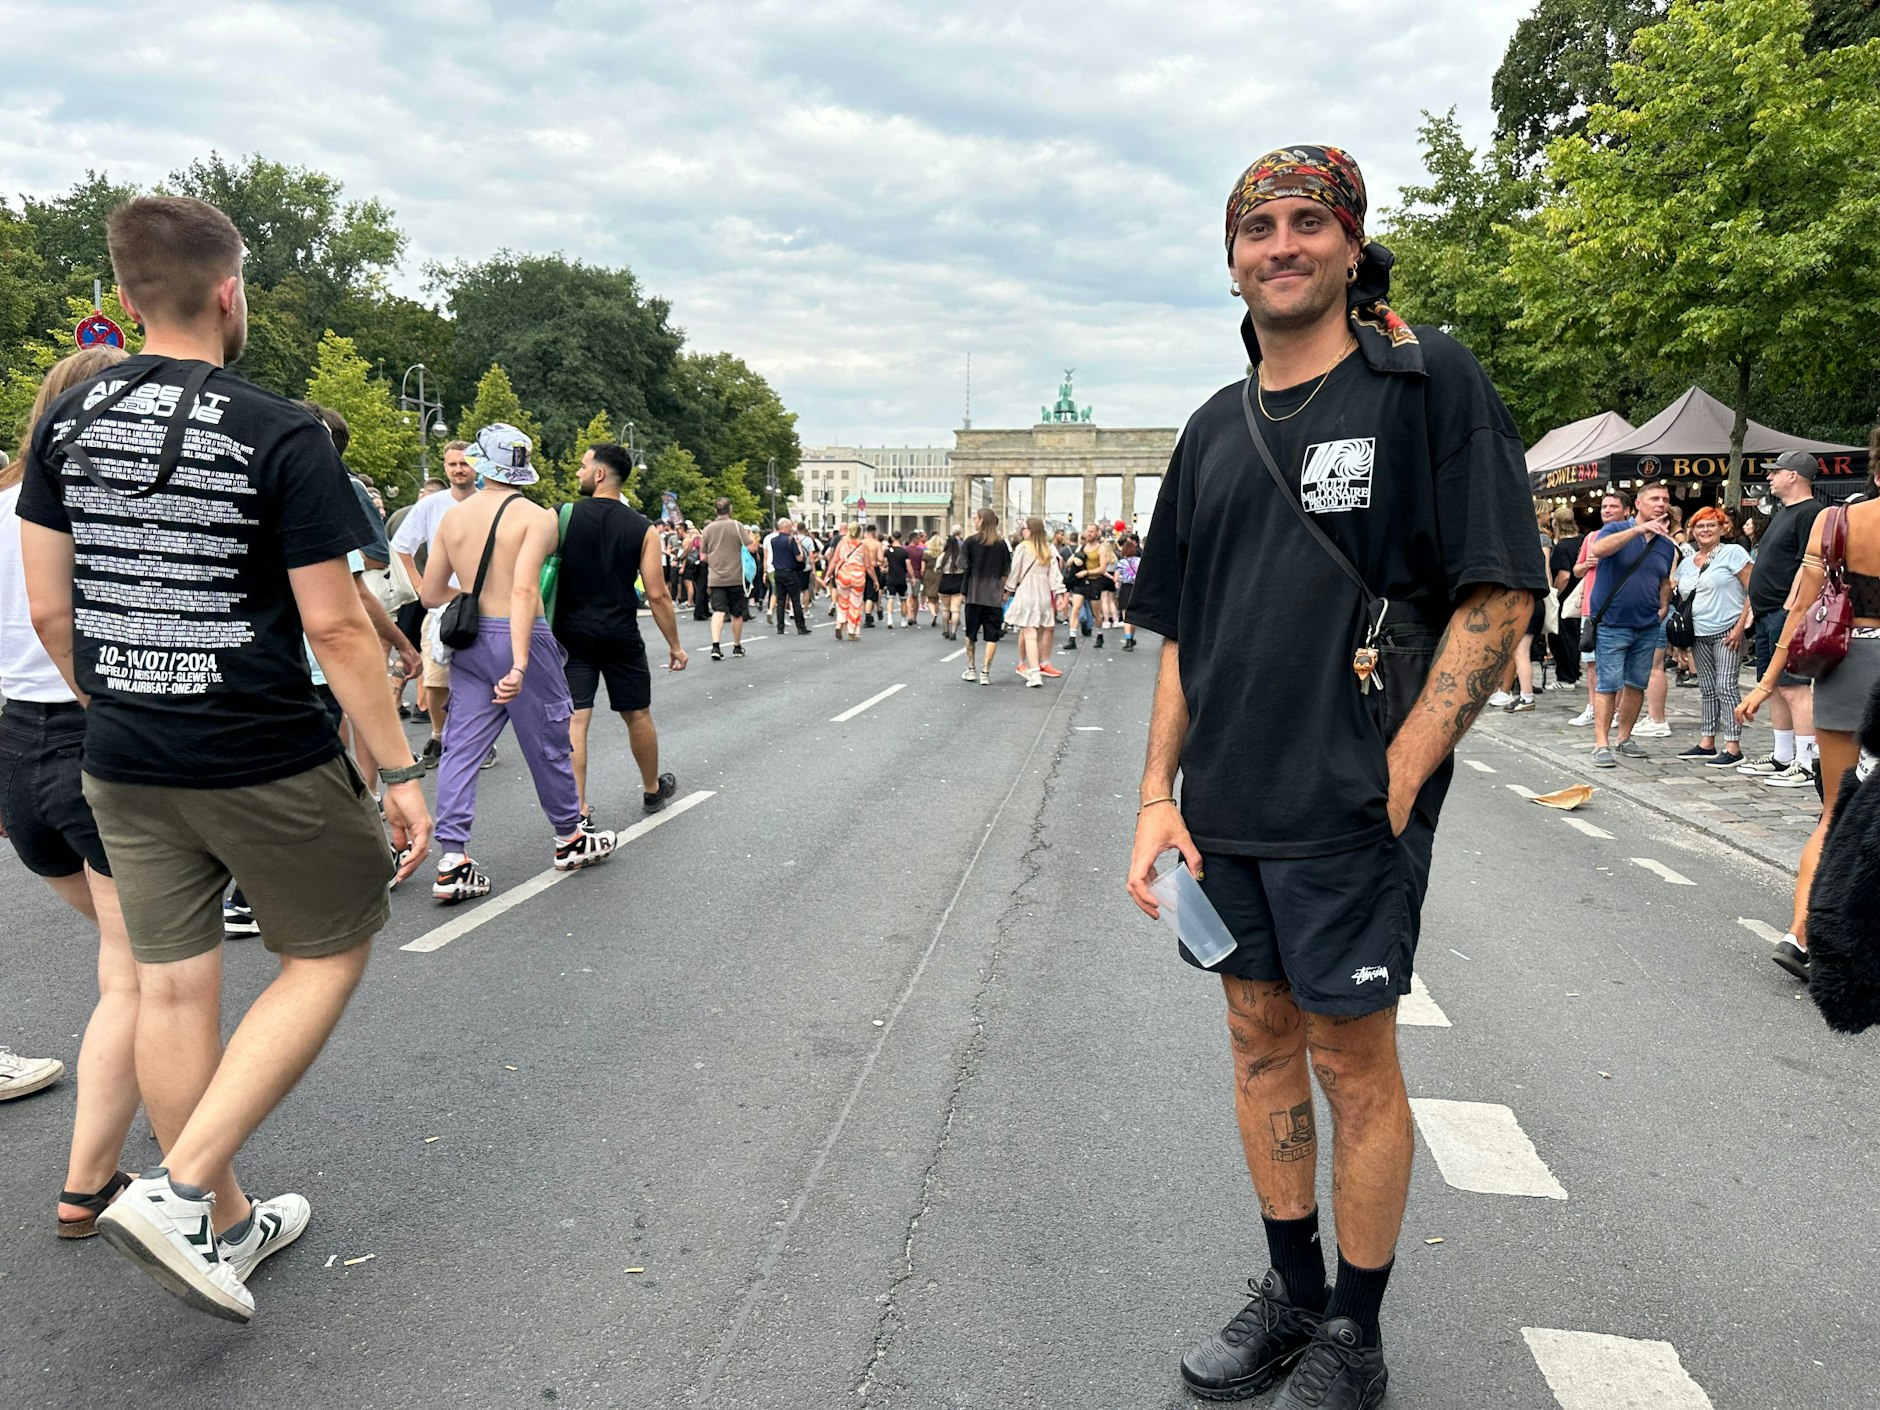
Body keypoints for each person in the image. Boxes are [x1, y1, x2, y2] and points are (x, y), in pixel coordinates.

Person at [1125, 146, 1541, 1407]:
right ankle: (1290, 1298)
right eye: (1260, 228)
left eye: (1311, 223)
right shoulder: (1209, 428)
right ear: (1232, 256)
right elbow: (1186, 633)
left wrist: (1405, 768)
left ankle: (1352, 1335)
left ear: (1353, 246)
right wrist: (1155, 795)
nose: (1283, 245)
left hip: (1351, 799)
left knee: (1351, 1061)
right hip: (1229, 806)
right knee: (1257, 1044)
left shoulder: (1424, 383)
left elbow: (1498, 590)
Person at [19, 194, 432, 1322]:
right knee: (328, 953)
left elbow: (51, 608)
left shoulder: (64, 423)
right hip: (259, 752)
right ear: (227, 290)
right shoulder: (280, 428)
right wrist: (400, 776)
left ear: (125, 294)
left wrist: (116, 694)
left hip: (123, 750)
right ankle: (185, 1187)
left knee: (169, 982)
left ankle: (225, 1220)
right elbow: (340, 628)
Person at [2, 344, 145, 1237]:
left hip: (13, 744)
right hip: (87, 734)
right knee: (142, 978)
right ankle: (91, 1186)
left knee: (145, 964)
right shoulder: (96, 509)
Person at [420, 423, 616, 901]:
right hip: (520, 634)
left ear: (483, 464)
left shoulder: (453, 518)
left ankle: (453, 857)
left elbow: (429, 593)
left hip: (469, 640)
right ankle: (569, 835)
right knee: (549, 736)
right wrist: (521, 662)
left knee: (462, 744)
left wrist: (471, 601)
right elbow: (526, 589)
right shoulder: (536, 517)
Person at [1739, 483, 1880, 979]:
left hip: (1847, 666)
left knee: (1834, 814)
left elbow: (1800, 607)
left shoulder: (1836, 521)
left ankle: (1799, 935)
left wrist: (1766, 682)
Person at [555, 443, 685, 828]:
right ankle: (651, 788)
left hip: (571, 632)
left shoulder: (562, 518)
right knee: (637, 713)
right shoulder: (643, 528)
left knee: (576, 719)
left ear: (599, 474)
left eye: (582, 467)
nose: (578, 473)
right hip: (619, 631)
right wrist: (675, 645)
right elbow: (657, 593)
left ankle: (578, 809)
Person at [1736, 451, 1825, 789]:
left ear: (1794, 475)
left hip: (1788, 613)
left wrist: (1792, 604)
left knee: (1793, 686)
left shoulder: (1812, 513)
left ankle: (1806, 762)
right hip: (1769, 611)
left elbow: (1810, 563)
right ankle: (1782, 755)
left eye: (1776, 472)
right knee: (1772, 685)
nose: (1769, 477)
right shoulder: (1783, 512)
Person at [392, 441, 480, 770]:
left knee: (478, 675)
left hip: (481, 602)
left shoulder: (489, 502)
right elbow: (401, 547)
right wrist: (419, 583)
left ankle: (479, 740)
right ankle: (440, 734)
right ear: (444, 467)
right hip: (441, 604)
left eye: (465, 463)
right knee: (435, 676)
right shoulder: (432, 505)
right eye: (452, 464)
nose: (458, 469)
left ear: (477, 467)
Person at [1585, 480, 1678, 768]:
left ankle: (1624, 738)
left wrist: (1663, 603)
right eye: (1654, 499)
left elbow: (1664, 579)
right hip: (1612, 622)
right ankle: (1601, 743)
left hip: (1647, 624)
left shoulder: (1665, 545)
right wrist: (1638, 529)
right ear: (1638, 504)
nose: (1661, 504)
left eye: (1664, 499)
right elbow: (1599, 550)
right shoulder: (1617, 528)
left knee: (1636, 684)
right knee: (1608, 684)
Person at [1672, 506, 1753, 767]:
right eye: (1700, 526)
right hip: (1698, 633)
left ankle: (1733, 746)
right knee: (1707, 688)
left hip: (1727, 631)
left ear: (1722, 529)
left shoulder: (1733, 553)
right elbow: (1682, 600)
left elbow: (1753, 590)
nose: (1705, 530)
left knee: (1726, 686)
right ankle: (1707, 741)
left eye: (1711, 525)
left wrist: (1741, 627)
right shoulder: (1686, 563)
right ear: (1692, 531)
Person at [1003, 516, 1064, 686]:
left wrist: (1008, 590)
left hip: (1027, 591)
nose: (1022, 531)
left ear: (1032, 530)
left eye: (1025, 528)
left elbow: (1015, 571)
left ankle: (1034, 672)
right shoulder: (1048, 548)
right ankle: (1034, 666)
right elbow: (1054, 575)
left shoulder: (1023, 547)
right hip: (1043, 592)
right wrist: (1058, 594)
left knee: (1028, 633)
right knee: (1037, 632)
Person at [960, 508, 1011, 685]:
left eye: (976, 518)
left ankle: (971, 668)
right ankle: (985, 672)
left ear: (982, 520)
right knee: (992, 636)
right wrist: (1002, 590)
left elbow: (962, 564)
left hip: (974, 594)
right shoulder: (1001, 544)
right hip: (993, 596)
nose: (974, 521)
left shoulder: (971, 542)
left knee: (971, 633)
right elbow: (1006, 571)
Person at [701, 498, 747, 660]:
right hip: (735, 576)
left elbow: (703, 556)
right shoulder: (737, 526)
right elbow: (749, 547)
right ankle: (737, 646)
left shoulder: (708, 530)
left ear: (716, 511)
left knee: (718, 611)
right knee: (737, 613)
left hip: (716, 577)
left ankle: (715, 645)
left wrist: (715, 561)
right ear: (730, 509)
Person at [765, 516, 811, 635]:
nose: (792, 529)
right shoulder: (791, 540)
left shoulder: (773, 541)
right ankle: (801, 627)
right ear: (785, 527)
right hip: (790, 572)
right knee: (795, 599)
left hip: (778, 572)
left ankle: (780, 627)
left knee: (781, 600)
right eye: (790, 526)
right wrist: (799, 546)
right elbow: (799, 557)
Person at [827, 522, 871, 641]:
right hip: (858, 577)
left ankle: (839, 624)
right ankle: (852, 631)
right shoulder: (862, 545)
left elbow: (835, 560)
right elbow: (868, 565)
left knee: (843, 602)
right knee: (856, 604)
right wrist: (875, 580)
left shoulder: (842, 543)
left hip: (843, 576)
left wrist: (828, 574)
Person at [1113, 532, 1142, 651]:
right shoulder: (1139, 561)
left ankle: (1128, 639)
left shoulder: (1121, 563)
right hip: (1136, 588)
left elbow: (1116, 577)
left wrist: (1117, 581)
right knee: (1133, 616)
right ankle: (1132, 637)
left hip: (1125, 588)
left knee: (1125, 616)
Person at [935, 529, 966, 638]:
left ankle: (945, 630)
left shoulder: (943, 556)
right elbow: (965, 567)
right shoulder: (961, 556)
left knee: (946, 608)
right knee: (956, 609)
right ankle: (953, 632)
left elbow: (937, 569)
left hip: (945, 581)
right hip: (958, 581)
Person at [882, 532, 910, 628]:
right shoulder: (904, 552)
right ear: (900, 538)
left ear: (892, 538)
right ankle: (903, 620)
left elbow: (884, 563)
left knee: (890, 599)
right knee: (903, 600)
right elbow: (908, 565)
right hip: (901, 578)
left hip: (891, 578)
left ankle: (890, 619)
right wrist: (912, 577)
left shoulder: (888, 551)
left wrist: (885, 568)